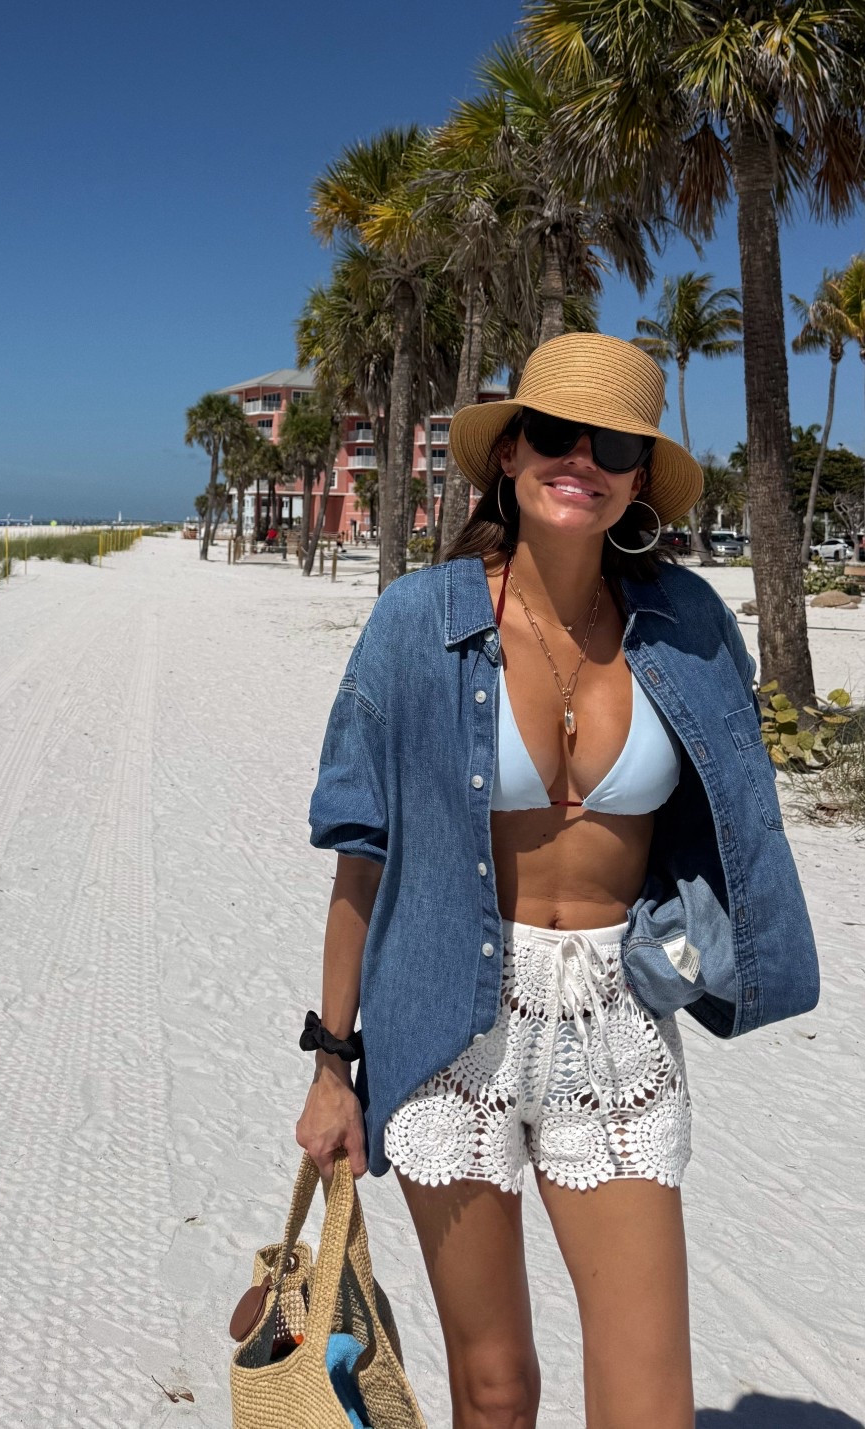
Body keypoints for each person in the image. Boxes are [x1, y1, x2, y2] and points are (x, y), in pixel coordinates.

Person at [297, 333, 818, 1429]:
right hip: (447, 1018)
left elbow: (736, 816)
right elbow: (362, 852)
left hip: (616, 1022)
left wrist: (717, 946)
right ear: (509, 456)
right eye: (552, 433)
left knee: (649, 1401)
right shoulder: (416, 621)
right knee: (496, 1388)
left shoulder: (690, 626)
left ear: (638, 477)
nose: (579, 458)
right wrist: (332, 1061)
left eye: (615, 442)